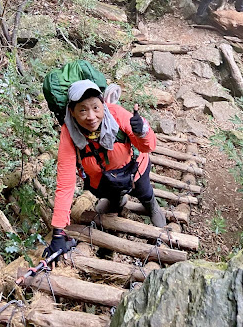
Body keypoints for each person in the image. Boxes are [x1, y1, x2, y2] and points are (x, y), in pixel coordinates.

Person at [43, 79, 165, 259]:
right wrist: (59, 232)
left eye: (95, 108)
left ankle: (152, 206)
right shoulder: (69, 133)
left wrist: (143, 131)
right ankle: (117, 202)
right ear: (72, 113)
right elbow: (65, 184)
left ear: (103, 105)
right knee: (111, 196)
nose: (91, 116)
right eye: (82, 110)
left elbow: (147, 147)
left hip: (134, 170)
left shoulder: (116, 114)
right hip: (102, 180)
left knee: (145, 193)